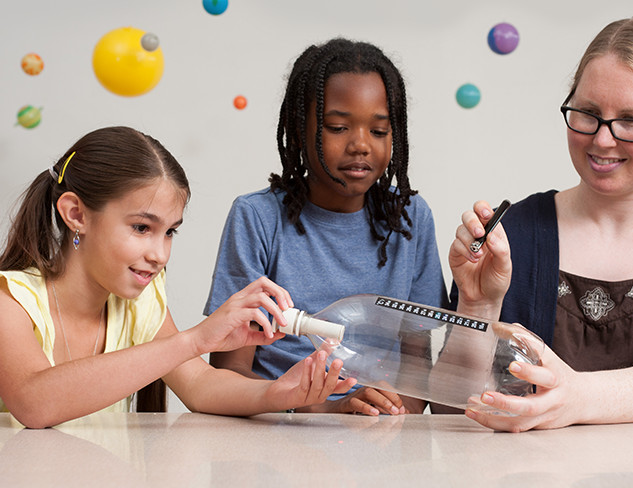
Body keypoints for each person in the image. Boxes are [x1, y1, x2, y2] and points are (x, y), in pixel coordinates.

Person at [0, 126, 354, 428]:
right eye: (142, 227)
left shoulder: (139, 304)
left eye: (170, 232)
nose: (160, 255)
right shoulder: (10, 300)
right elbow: (34, 403)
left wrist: (278, 393)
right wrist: (196, 340)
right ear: (76, 214)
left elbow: (200, 384)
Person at [448, 14, 633, 430]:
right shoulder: (517, 232)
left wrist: (575, 398)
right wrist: (476, 305)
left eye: (631, 121)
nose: (602, 139)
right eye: (587, 113)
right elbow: (457, 409)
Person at [205, 38, 448, 415]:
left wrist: (395, 421)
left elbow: (416, 366)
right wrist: (327, 413)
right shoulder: (257, 218)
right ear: (299, 129)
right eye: (337, 127)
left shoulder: (410, 219)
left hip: (379, 445)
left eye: (379, 132)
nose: (361, 145)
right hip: (275, 443)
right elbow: (228, 374)